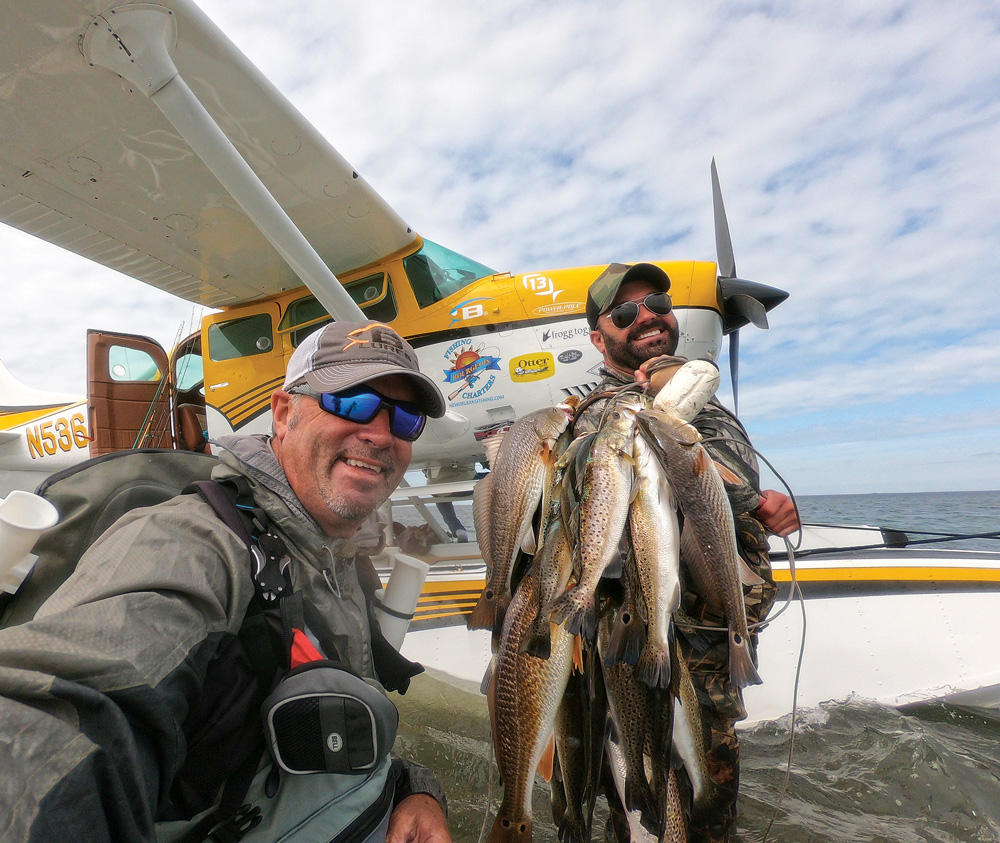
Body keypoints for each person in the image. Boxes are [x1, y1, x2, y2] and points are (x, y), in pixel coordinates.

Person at [0, 321, 453, 843]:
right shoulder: (190, 541)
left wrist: (412, 789)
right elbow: (66, 713)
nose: (379, 433)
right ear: (283, 414)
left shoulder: (338, 556)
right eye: (349, 401)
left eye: (405, 418)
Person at [579, 263, 798, 842]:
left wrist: (765, 511)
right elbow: (612, 485)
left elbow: (719, 487)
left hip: (715, 652)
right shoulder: (602, 413)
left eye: (656, 301)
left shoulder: (702, 395)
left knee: (710, 809)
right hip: (648, 653)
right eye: (624, 312)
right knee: (646, 811)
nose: (646, 315)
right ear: (600, 340)